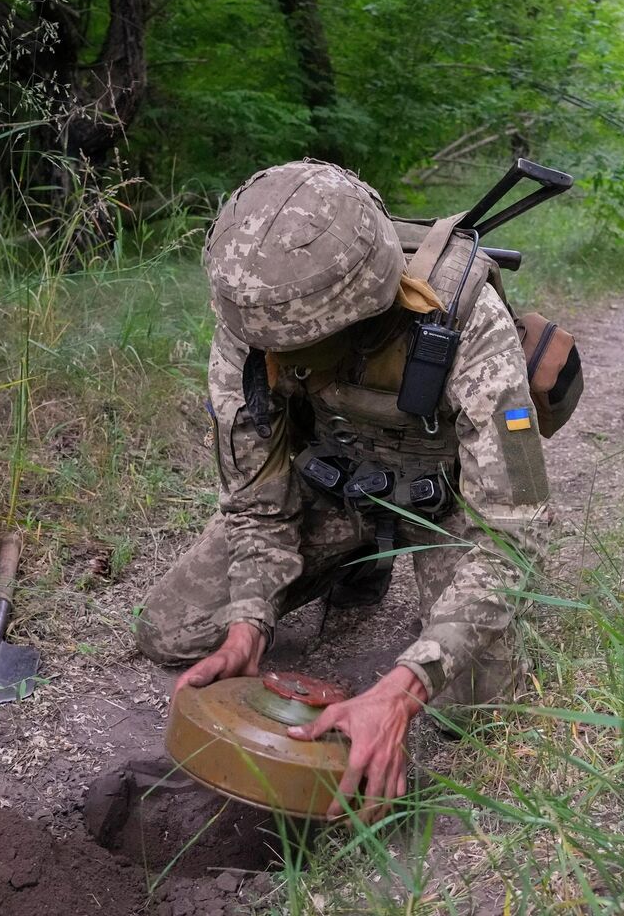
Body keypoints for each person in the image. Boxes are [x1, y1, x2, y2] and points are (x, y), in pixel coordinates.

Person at [136, 159, 546, 814]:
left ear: (360, 311)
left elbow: (517, 529)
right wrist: (249, 616)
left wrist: (406, 686)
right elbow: (254, 498)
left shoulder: (470, 320)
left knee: (475, 708)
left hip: (444, 509)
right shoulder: (253, 319)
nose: (267, 359)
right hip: (330, 491)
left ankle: (385, 566)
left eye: (295, 346)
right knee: (173, 628)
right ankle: (353, 563)